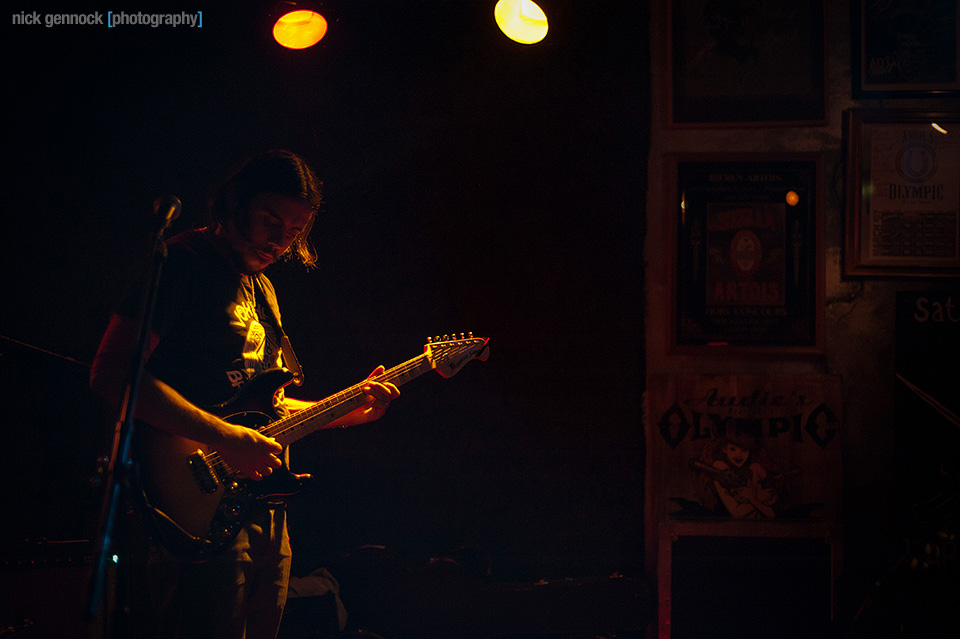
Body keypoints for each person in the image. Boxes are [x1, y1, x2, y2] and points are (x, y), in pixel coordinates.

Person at [89, 150, 400, 638]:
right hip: (190, 499)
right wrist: (225, 438)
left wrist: (349, 411)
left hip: (263, 507)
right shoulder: (180, 262)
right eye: (269, 221)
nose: (279, 242)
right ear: (234, 204)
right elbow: (112, 374)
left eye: (295, 231)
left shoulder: (264, 291)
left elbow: (268, 409)